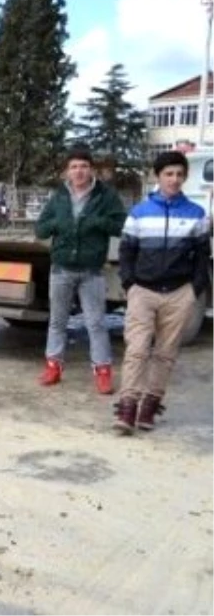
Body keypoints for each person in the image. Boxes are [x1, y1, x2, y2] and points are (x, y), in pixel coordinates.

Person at [113, 150, 209, 434]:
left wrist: (195, 288)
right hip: (143, 290)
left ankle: (149, 408)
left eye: (180, 174)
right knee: (138, 350)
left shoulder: (196, 214)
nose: (174, 179)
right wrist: (130, 284)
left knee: (166, 354)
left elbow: (203, 256)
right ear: (158, 176)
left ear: (185, 177)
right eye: (169, 174)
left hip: (179, 293)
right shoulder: (140, 212)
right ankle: (127, 408)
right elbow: (126, 251)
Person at [33, 147, 126, 392]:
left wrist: (96, 222)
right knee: (57, 321)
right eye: (74, 167)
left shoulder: (105, 195)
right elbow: (41, 229)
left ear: (91, 169)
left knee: (96, 323)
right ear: (67, 171)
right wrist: (59, 223)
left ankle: (103, 371)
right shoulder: (59, 196)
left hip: (91, 271)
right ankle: (53, 367)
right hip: (61, 269)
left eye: (83, 166)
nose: (79, 171)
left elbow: (121, 225)